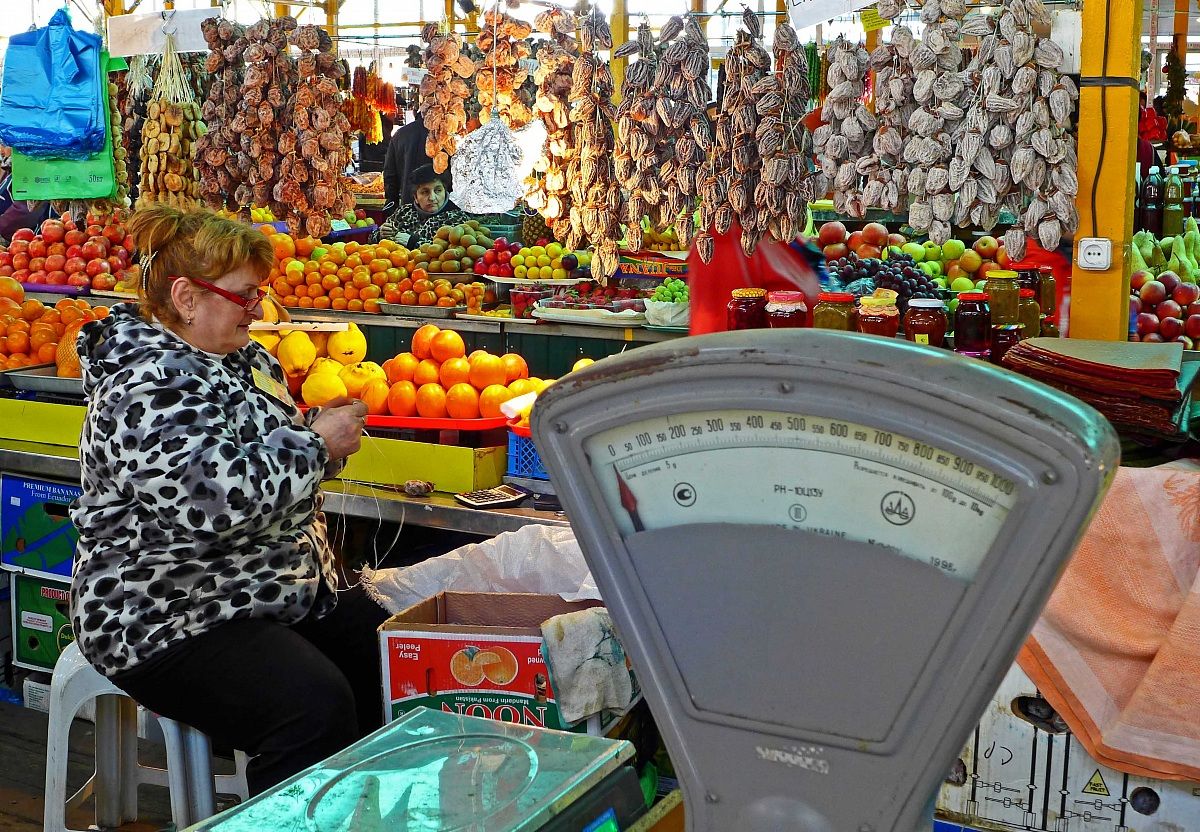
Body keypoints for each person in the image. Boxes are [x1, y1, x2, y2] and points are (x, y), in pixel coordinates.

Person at [69, 204, 389, 796]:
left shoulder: (246, 361)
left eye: (259, 294)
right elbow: (214, 504)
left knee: (391, 657)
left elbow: (268, 453)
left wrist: (315, 439)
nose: (258, 309)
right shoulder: (144, 385)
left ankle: (364, 809)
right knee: (311, 707)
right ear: (187, 298)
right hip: (165, 611)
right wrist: (315, 448)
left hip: (263, 588)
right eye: (244, 296)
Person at [376, 163, 470, 247]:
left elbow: (453, 253)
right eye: (425, 192)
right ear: (416, 197)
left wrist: (414, 243)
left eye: (438, 190)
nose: (432, 198)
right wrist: (381, 234)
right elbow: (372, 239)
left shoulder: (457, 218)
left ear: (445, 192)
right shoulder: (403, 213)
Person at [382, 112, 433, 211]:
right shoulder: (444, 133)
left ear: (414, 112)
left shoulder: (400, 134)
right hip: (438, 203)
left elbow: (389, 175)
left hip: (409, 202)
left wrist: (392, 202)